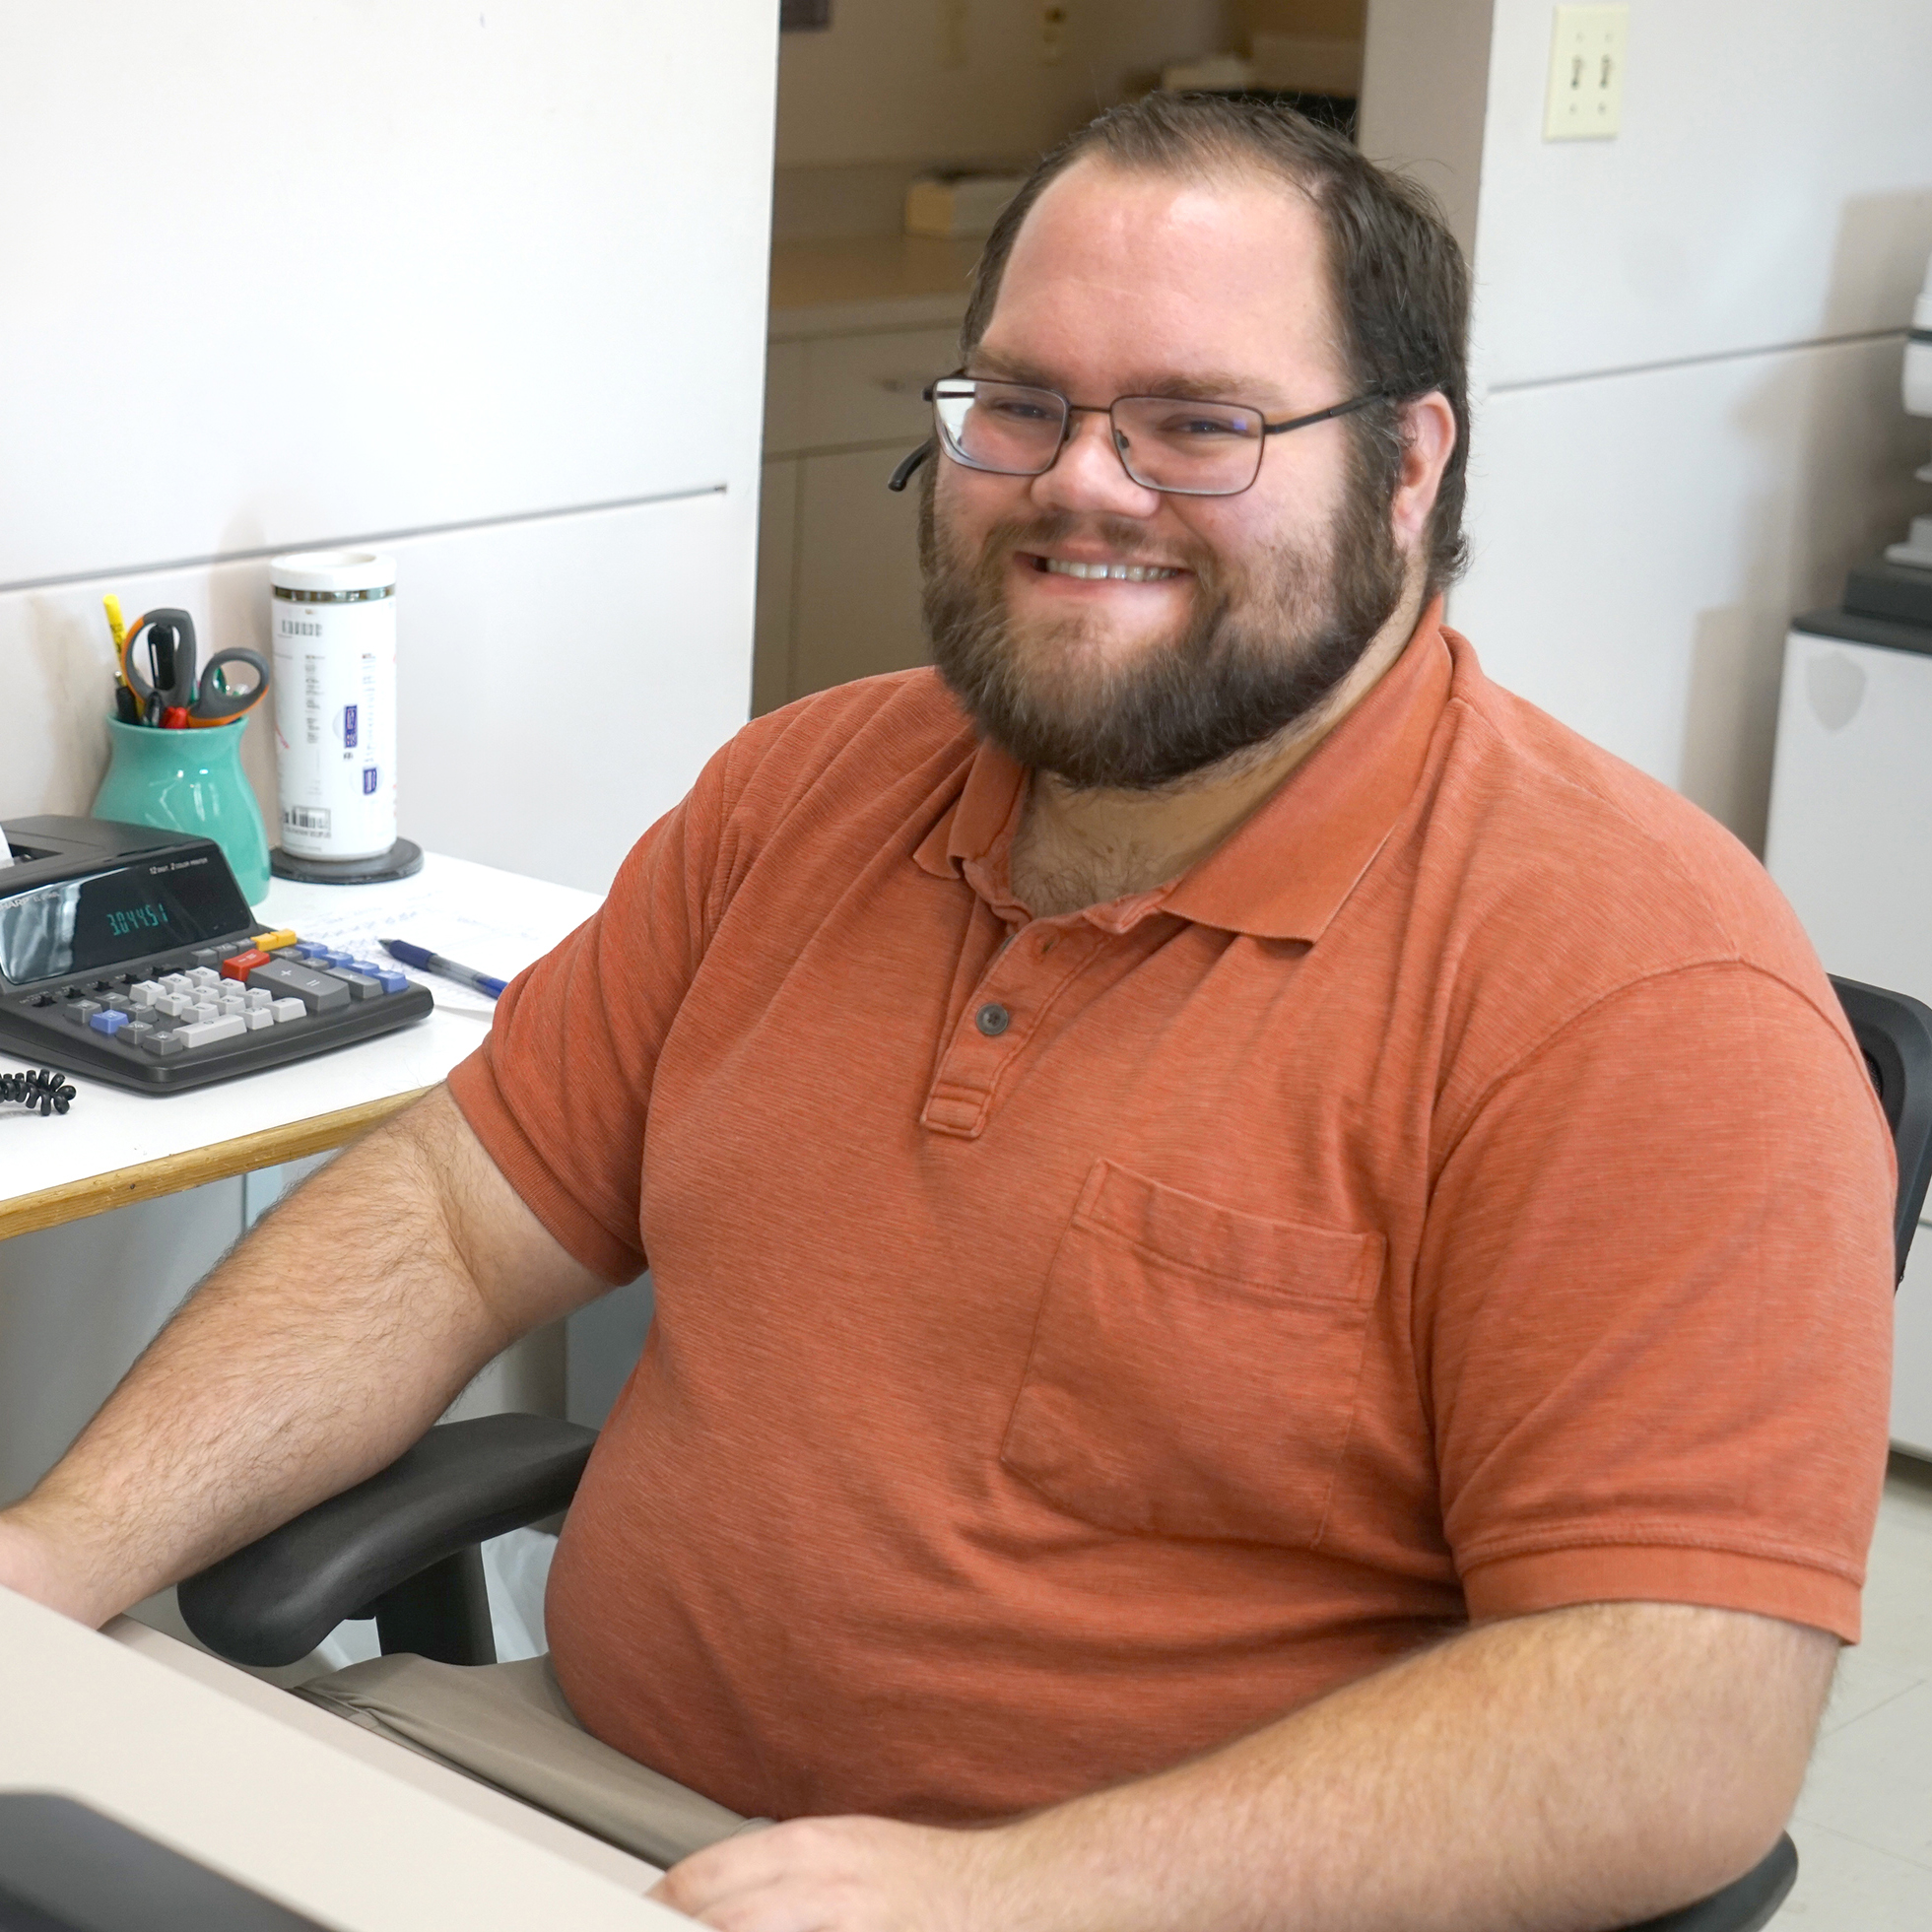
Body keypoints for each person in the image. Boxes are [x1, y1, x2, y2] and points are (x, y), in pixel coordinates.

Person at [0, 95, 1896, 1932]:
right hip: (571, 1800)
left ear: (1408, 466)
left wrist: (1010, 1896)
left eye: (1196, 423)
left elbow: (1678, 1719)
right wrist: (43, 1565)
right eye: (1022, 404)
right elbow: (443, 1217)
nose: (1083, 480)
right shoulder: (803, 793)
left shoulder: (1641, 991)